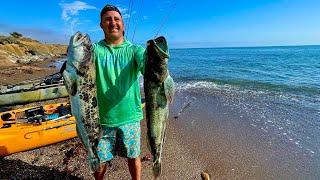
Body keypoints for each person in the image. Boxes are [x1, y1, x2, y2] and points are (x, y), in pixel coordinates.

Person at [92, 4, 145, 180]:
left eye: (116, 19)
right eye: (108, 19)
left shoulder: (135, 50)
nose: (112, 22)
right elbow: (78, 58)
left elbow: (147, 66)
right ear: (101, 25)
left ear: (123, 24)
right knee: (100, 160)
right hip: (102, 119)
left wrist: (155, 61)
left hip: (130, 117)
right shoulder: (95, 50)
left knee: (134, 156)